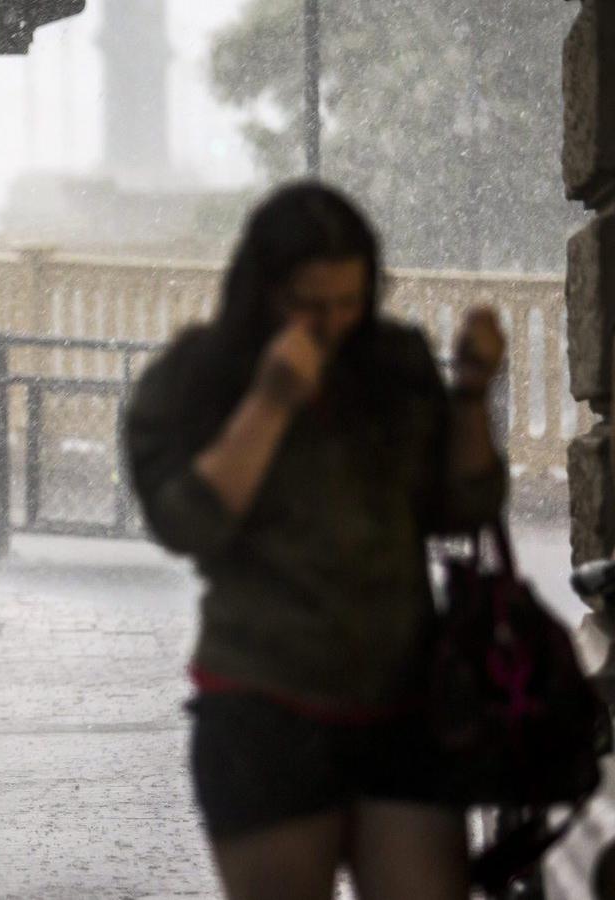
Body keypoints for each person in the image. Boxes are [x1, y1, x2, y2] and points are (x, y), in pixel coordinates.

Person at [125, 183, 507, 899]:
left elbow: (463, 508)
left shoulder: (395, 362)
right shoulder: (196, 377)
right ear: (261, 291)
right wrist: (269, 403)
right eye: (309, 303)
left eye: (349, 302)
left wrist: (473, 393)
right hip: (264, 710)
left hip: (404, 704)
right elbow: (186, 523)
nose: (332, 324)